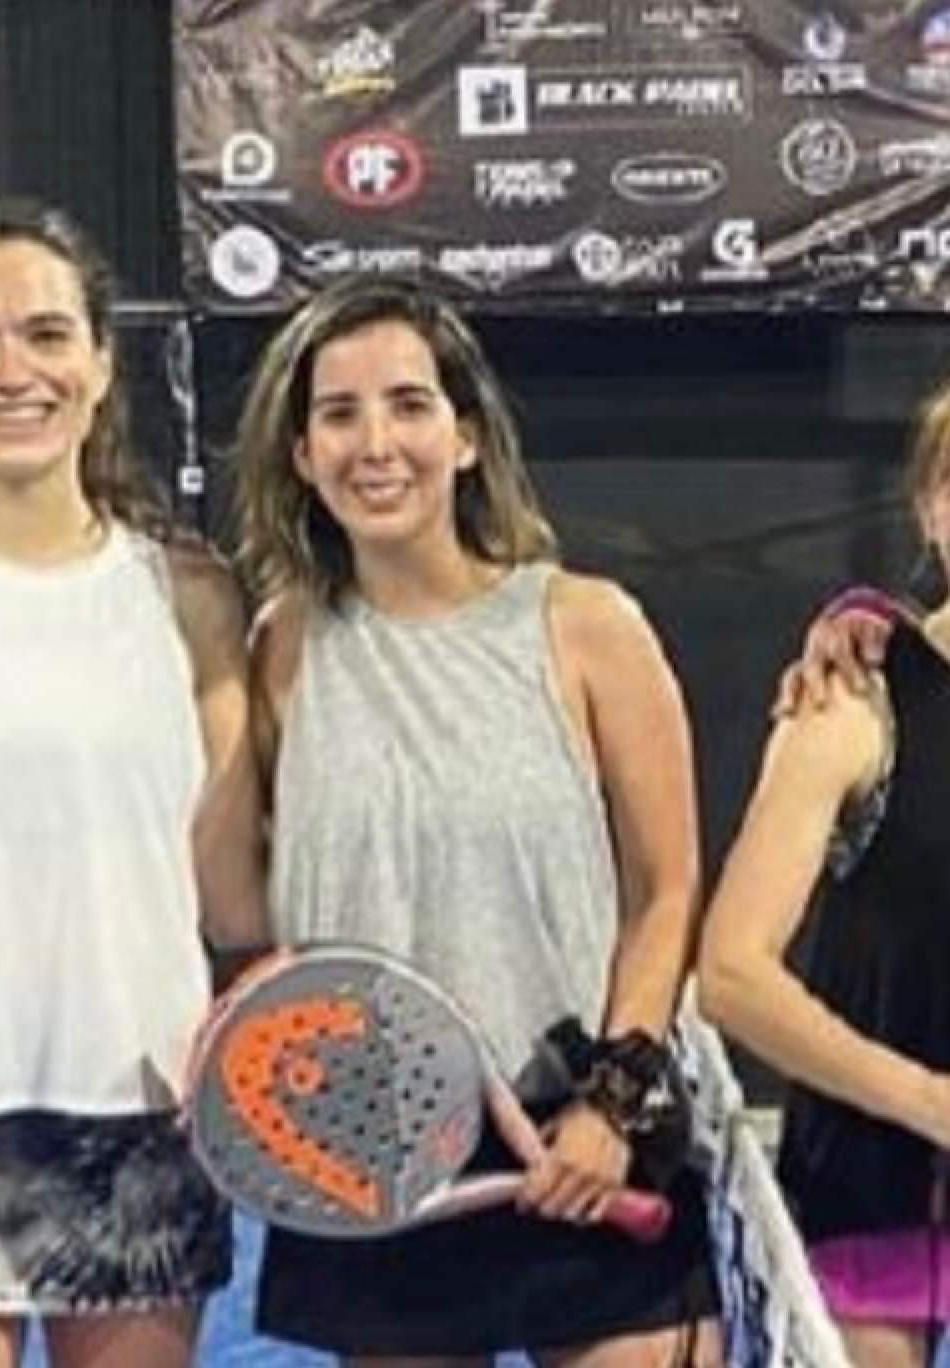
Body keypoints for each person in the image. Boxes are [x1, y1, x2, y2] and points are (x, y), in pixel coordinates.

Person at [238, 274, 723, 1368]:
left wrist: (610, 1106)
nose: (376, 444)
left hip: (587, 1140)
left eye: (408, 405)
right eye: (339, 414)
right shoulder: (279, 646)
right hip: (372, 1158)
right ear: (302, 456)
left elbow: (665, 892)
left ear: (463, 438)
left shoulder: (587, 626)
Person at [0, 196, 268, 1368]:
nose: (10, 371)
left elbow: (229, 897)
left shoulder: (189, 599)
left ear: (97, 365)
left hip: (143, 1112)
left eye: (45, 334)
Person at [698, 377, 950, 1367]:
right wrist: (927, 1101)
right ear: (928, 505)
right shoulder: (850, 704)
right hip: (873, 1190)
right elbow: (730, 974)